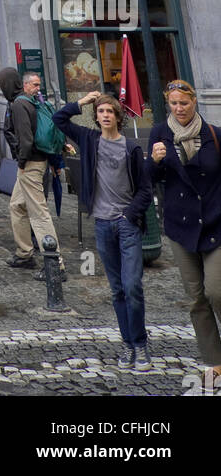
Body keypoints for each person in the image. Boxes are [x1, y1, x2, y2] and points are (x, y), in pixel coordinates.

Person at [54, 91, 153, 370]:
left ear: (118, 116)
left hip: (126, 224)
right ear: (96, 117)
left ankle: (141, 344)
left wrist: (129, 215)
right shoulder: (89, 139)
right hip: (102, 223)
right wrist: (83, 102)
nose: (106, 115)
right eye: (101, 112)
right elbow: (58, 119)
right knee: (118, 290)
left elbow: (145, 190)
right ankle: (127, 344)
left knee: (133, 286)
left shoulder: (130, 148)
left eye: (110, 111)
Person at [149, 79, 221, 376]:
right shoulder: (160, 133)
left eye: (184, 103)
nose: (179, 109)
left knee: (217, 291)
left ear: (194, 103)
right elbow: (150, 178)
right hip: (181, 226)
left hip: (216, 221)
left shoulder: (215, 135)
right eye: (174, 103)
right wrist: (153, 161)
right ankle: (215, 360)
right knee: (196, 297)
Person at [5, 71, 66, 278]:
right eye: (35, 85)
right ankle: (24, 253)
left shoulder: (20, 105)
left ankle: (55, 264)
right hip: (36, 163)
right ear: (24, 85)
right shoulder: (33, 103)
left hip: (30, 165)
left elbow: (26, 139)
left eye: (39, 85)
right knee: (17, 205)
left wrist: (21, 163)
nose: (38, 89)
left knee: (39, 214)